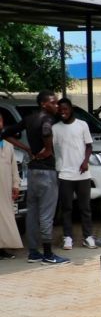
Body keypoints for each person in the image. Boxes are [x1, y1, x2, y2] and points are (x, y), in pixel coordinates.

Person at [1, 91, 69, 264]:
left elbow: (5, 133)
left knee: (32, 213)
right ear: (43, 104)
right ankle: (48, 254)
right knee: (47, 214)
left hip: (33, 172)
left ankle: (33, 252)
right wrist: (47, 149)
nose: (56, 106)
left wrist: (26, 148)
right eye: (53, 103)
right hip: (47, 171)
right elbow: (46, 131)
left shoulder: (30, 119)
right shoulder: (48, 120)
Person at [53, 98, 96, 250]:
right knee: (67, 208)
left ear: (71, 109)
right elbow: (51, 148)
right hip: (65, 173)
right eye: (60, 110)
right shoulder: (55, 128)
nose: (63, 112)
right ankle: (67, 237)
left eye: (65, 109)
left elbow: (89, 146)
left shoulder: (82, 125)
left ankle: (88, 236)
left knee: (85, 207)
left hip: (83, 174)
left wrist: (85, 161)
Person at [0, 114, 23, 258]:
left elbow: (14, 167)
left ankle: (3, 248)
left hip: (5, 186)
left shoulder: (8, 144)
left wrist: (16, 185)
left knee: (6, 217)